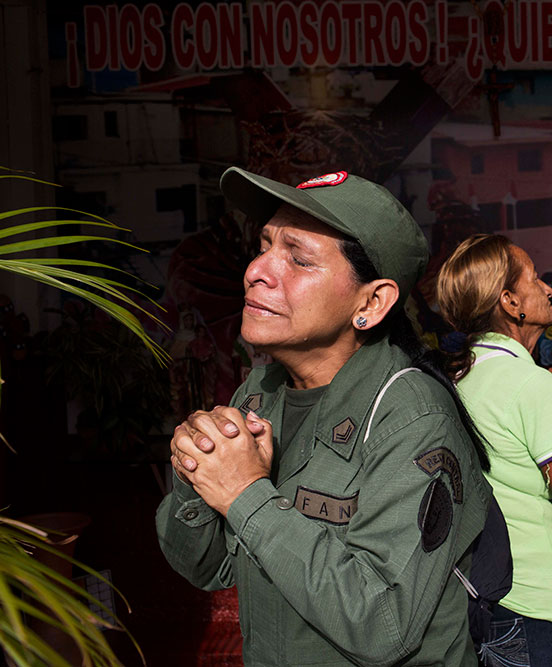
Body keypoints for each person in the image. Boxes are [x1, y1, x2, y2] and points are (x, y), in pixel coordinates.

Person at [156, 168, 491, 666]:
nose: (258, 270)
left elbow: (384, 624)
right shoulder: (261, 392)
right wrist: (196, 473)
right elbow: (205, 567)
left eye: (299, 259)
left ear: (372, 303)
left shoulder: (412, 418)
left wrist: (247, 495)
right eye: (265, 245)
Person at [436, 234, 552, 667]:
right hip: (536, 609)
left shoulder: (460, 379)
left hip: (482, 597)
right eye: (535, 278)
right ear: (511, 302)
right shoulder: (533, 386)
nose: (548, 288)